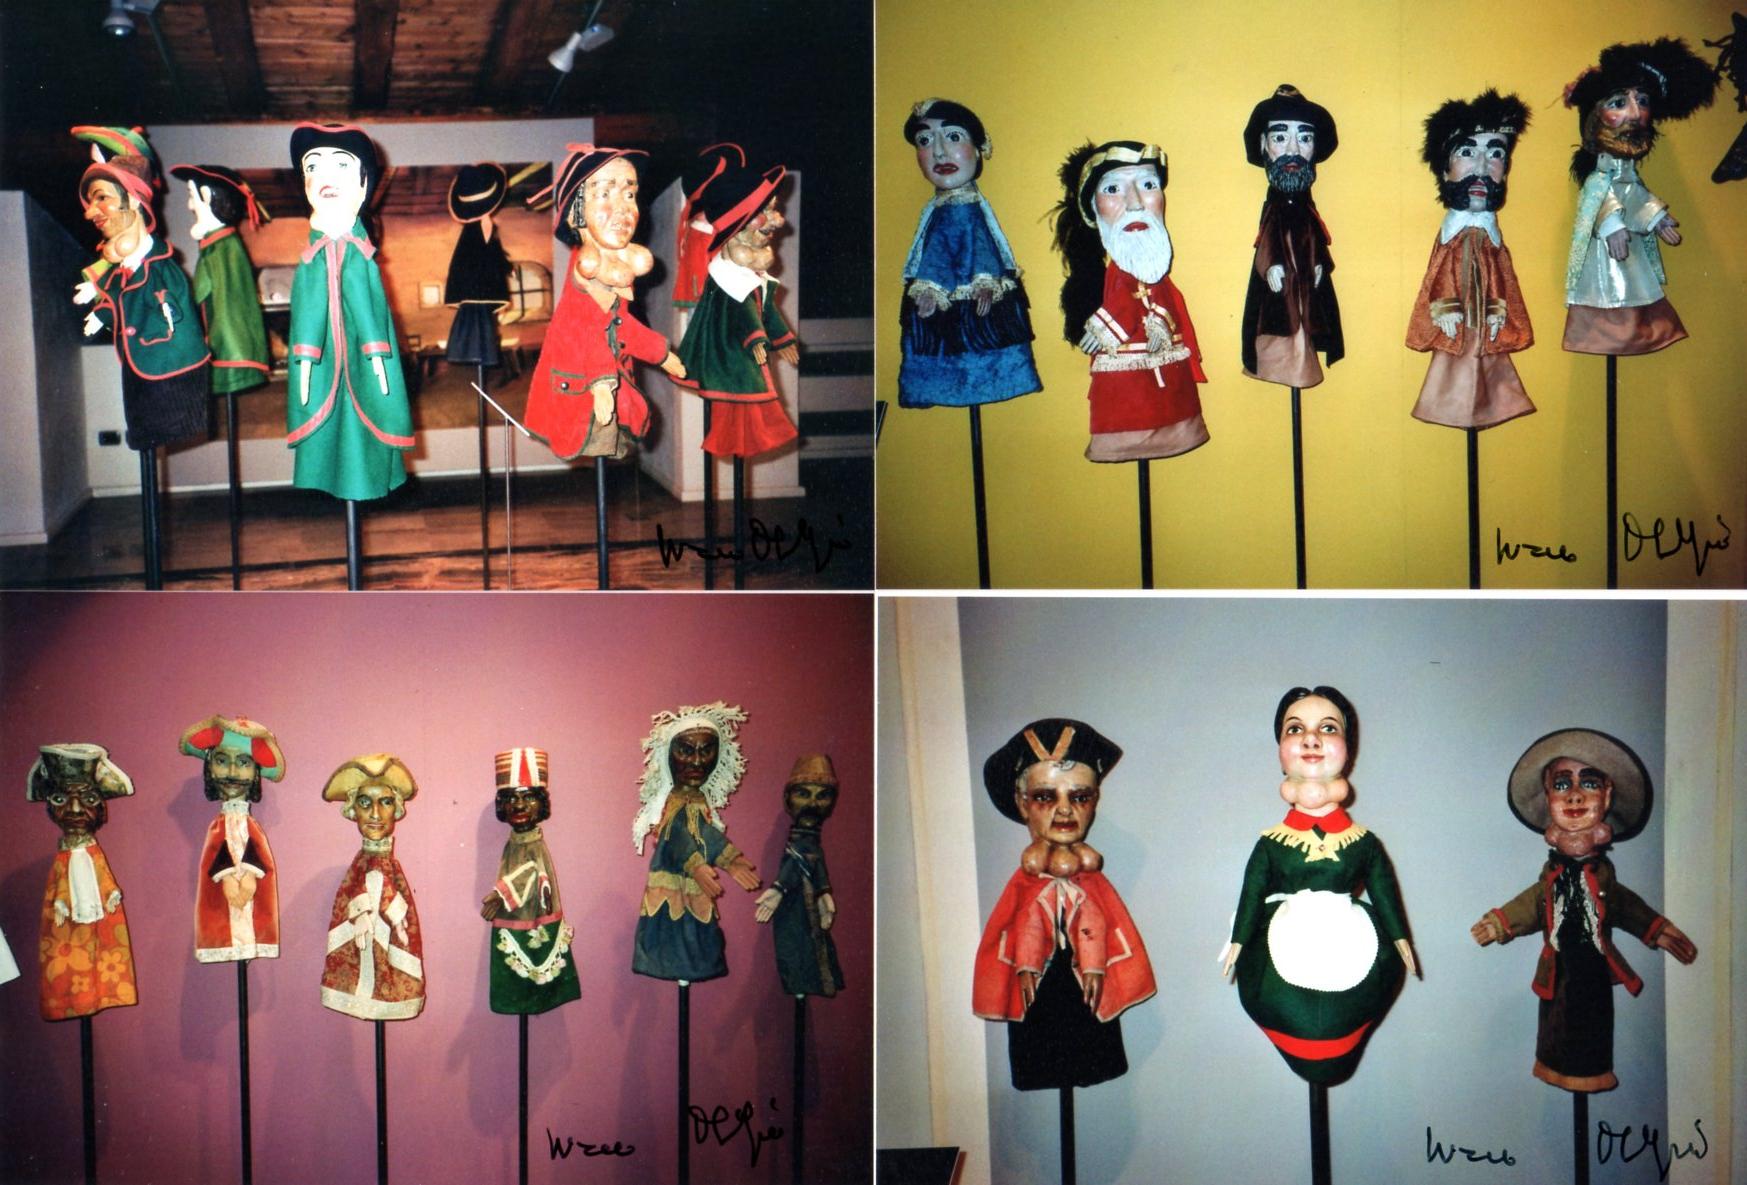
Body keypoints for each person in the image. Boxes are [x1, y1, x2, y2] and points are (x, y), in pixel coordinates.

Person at [1470, 728, 1697, 1092]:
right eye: (1562, 784)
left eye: (1588, 783)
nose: (1574, 795)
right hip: (1557, 972)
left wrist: (1656, 929)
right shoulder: (1551, 876)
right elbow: (1533, 902)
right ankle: (1555, 1065)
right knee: (1555, 1027)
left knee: (1593, 1027)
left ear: (1606, 796)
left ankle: (1589, 1071)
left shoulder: (1603, 876)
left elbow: (1626, 906)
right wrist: (1501, 922)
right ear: (1548, 797)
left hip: (1593, 974)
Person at [1222, 686, 1415, 1084]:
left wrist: (1399, 938)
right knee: (1278, 995)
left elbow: (1383, 890)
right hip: (1283, 936)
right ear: (1280, 751)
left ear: (1348, 749)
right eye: (1295, 729)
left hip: (1353, 934)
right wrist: (1238, 941)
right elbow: (1251, 891)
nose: (1311, 739)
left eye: (1327, 728)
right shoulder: (1271, 841)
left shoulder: (1363, 841)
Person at [973, 718, 1156, 1090]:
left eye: (1080, 796)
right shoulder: (1023, 884)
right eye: (1045, 796)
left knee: (1092, 1054)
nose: (1064, 810)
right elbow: (1021, 927)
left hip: (1088, 993)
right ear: (1023, 804)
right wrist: (1025, 966)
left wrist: (1096, 964)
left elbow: (1099, 925)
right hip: (1037, 997)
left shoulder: (1094, 883)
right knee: (1040, 1054)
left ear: (1093, 802)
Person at [523, 145, 687, 460]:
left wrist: (660, 352)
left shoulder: (612, 267)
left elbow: (620, 325)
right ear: (577, 212)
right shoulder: (588, 269)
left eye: (629, 195)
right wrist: (600, 382)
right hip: (584, 389)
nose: (623, 209)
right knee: (595, 436)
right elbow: (582, 329)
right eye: (604, 194)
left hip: (609, 384)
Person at [1052, 140, 1207, 462]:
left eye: (1148, 186)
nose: (1135, 204)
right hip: (1126, 378)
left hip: (1165, 368)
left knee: (1171, 405)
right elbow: (1124, 303)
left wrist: (1160, 322)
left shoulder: (1156, 274)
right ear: (1092, 208)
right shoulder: (1115, 276)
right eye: (1113, 189)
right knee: (1130, 410)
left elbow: (1163, 301)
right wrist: (1105, 328)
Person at [1560, 39, 1717, 355]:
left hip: (1629, 249)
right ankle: (1605, 335)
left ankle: (1631, 335)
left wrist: (1657, 217)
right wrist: (1610, 224)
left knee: (1635, 289)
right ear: (1594, 116)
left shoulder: (1626, 171)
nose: (1635, 113)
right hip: (1604, 251)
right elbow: (1594, 196)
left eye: (1642, 101)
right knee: (1607, 290)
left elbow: (1635, 193)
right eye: (1619, 103)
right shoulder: (1600, 173)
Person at [286, 122, 415, 501]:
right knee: (323, 420)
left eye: (340, 165)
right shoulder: (311, 256)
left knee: (367, 418)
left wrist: (375, 352)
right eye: (312, 167)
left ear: (363, 185)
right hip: (320, 361)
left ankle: (362, 479)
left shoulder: (361, 254)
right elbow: (306, 306)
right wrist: (306, 357)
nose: (324, 176)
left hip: (365, 359)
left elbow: (367, 303)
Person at [897, 97, 1041, 410]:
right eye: (925, 141)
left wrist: (985, 282)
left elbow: (982, 245)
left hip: (975, 301)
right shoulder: (938, 212)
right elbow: (935, 252)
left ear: (978, 149)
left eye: (953, 137)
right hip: (945, 302)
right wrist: (929, 289)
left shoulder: (968, 210)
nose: (939, 152)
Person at [73, 127, 211, 450]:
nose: (90, 212)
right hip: (136, 369)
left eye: (102, 198)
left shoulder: (161, 267)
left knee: (167, 426)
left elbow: (169, 303)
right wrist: (102, 313)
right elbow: (121, 296)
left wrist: (167, 308)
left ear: (134, 201)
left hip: (168, 372)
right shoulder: (122, 268)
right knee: (142, 431)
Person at [1406, 90, 1536, 430]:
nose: (1482, 168)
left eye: (1495, 154)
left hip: (1486, 331)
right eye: (1467, 152)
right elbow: (1440, 272)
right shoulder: (1452, 235)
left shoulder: (1491, 237)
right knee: (1453, 376)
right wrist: (1445, 307)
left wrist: (1498, 310)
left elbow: (1502, 277)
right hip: (1457, 331)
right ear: (1444, 168)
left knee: (1491, 376)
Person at [675, 162, 801, 458]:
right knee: (739, 396)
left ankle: (739, 442)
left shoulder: (749, 272)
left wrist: (782, 338)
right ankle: (729, 441)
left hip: (739, 350)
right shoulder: (725, 275)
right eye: (764, 211)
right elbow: (743, 310)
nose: (776, 220)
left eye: (772, 208)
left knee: (747, 399)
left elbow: (764, 308)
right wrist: (756, 338)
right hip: (726, 351)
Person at [631, 703, 761, 982]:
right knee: (676, 941)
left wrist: (730, 860)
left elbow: (705, 832)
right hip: (672, 888)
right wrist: (697, 866)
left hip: (693, 888)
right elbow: (674, 834)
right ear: (669, 755)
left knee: (694, 939)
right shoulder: (673, 803)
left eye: (706, 751)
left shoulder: (698, 802)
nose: (697, 762)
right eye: (686, 751)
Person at [1239, 86, 1344, 388]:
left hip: (1305, 284)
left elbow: (1315, 236)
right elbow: (1268, 236)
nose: (1294, 150)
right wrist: (1270, 265)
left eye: (1305, 138)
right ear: (1264, 144)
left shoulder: (1307, 207)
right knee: (1281, 322)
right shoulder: (1274, 206)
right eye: (1280, 138)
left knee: (1307, 320)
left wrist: (1320, 262)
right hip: (1281, 287)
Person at [29, 743, 138, 1020]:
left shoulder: (93, 853)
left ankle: (103, 991)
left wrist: (111, 893)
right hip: (67, 917)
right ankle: (73, 998)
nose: (75, 809)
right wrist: (60, 902)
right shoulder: (64, 858)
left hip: (100, 912)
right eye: (61, 799)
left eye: (88, 799)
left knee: (104, 953)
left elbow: (102, 876)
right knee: (67, 958)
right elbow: (60, 882)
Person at [319, 754, 425, 1021]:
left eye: (385, 802)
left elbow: (388, 891)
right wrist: (360, 910)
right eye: (365, 803)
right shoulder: (359, 866)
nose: (375, 814)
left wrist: (395, 915)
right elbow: (358, 891)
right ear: (353, 809)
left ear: (396, 808)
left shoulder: (390, 867)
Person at [481, 748, 581, 1014]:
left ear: (541, 802)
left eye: (527, 798)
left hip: (531, 914)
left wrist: (499, 895)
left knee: (533, 964)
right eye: (511, 798)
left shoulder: (533, 845)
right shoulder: (513, 843)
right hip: (513, 917)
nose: (519, 805)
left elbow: (532, 871)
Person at [179, 714, 284, 963]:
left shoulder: (252, 826)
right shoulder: (217, 827)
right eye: (222, 761)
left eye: (244, 763)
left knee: (251, 921)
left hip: (251, 892)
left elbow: (256, 849)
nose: (233, 772)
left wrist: (249, 875)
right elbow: (217, 850)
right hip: (224, 895)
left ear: (256, 772)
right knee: (224, 920)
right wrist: (227, 877)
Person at [168, 163, 272, 395]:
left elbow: (202, 293)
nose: (190, 205)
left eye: (192, 196)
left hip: (226, 348)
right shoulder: (220, 245)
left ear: (208, 198)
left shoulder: (222, 247)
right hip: (226, 344)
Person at [755, 754, 845, 997]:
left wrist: (824, 893)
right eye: (803, 794)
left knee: (812, 947)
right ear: (788, 798)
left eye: (822, 796)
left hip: (804, 901)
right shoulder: (800, 842)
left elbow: (814, 861)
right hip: (792, 904)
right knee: (795, 949)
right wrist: (778, 890)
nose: (813, 804)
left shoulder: (810, 841)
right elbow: (796, 861)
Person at [442, 161, 512, 371]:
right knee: (479, 330)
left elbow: (488, 257)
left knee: (480, 328)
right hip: (479, 293)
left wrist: (504, 266)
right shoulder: (481, 227)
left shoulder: (471, 232)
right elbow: (489, 257)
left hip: (477, 293)